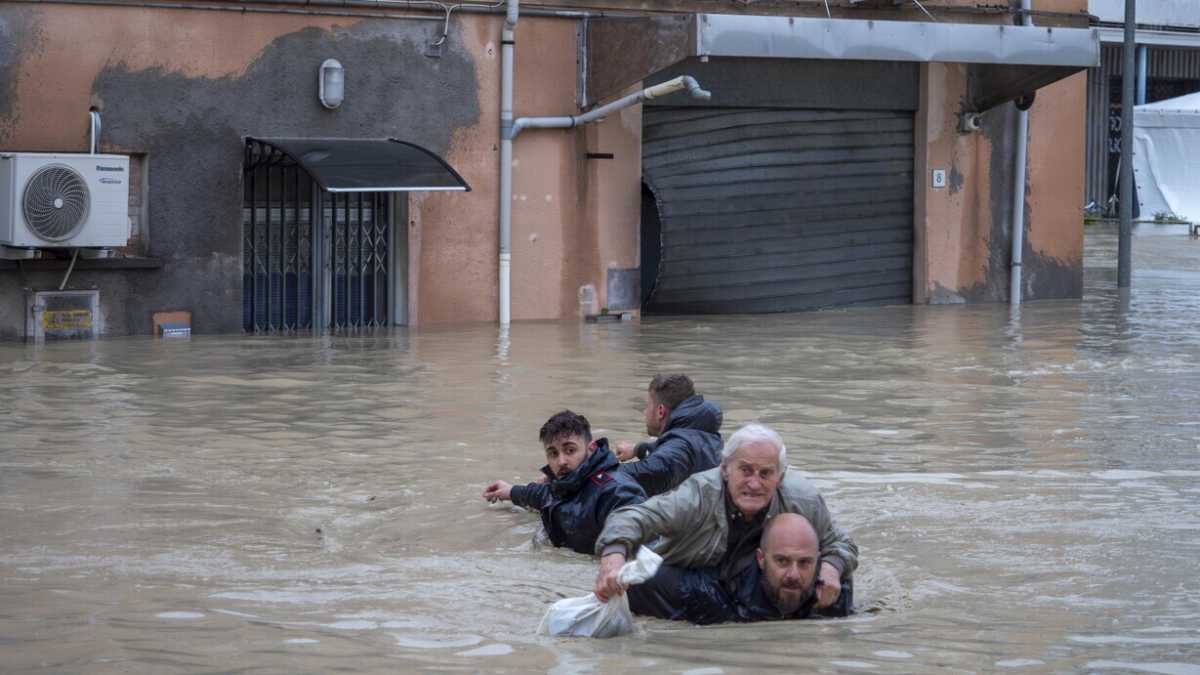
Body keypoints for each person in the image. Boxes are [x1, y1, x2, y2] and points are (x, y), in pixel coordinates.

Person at [593, 423, 857, 611]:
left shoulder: (803, 500)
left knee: (840, 585)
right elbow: (632, 517)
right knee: (639, 583)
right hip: (698, 578)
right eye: (746, 470)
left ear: (780, 477)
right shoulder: (696, 495)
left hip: (757, 581)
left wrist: (831, 568)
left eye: (765, 473)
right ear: (725, 470)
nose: (754, 484)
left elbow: (841, 544)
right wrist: (612, 560)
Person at [625, 513, 854, 624]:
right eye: (782, 561)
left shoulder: (833, 593)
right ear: (761, 559)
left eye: (804, 563)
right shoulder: (710, 593)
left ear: (818, 561)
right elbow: (639, 581)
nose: (794, 575)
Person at [482, 410, 646, 555]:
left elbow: (636, 526)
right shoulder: (565, 485)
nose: (561, 461)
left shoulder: (615, 490)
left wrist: (614, 555)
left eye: (570, 450)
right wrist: (511, 491)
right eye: (553, 453)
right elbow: (543, 495)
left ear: (591, 448)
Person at [615, 374, 723, 497]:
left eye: (647, 406)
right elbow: (668, 450)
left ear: (660, 411)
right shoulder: (701, 433)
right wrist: (637, 449)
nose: (645, 412)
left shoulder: (680, 447)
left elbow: (655, 469)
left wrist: (600, 471)